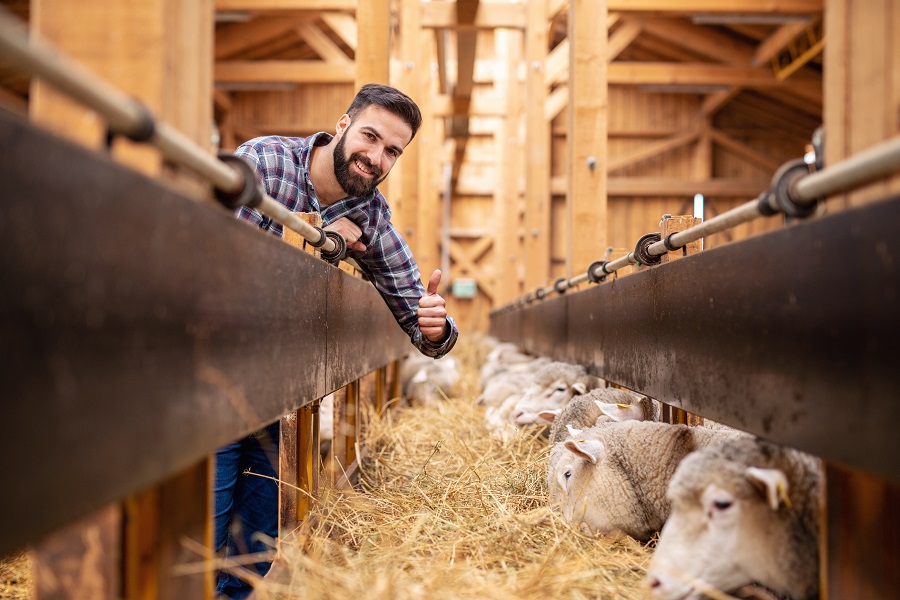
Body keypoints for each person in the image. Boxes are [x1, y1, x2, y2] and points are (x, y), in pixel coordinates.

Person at [213, 83, 459, 599]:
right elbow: (220, 270)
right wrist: (326, 241)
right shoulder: (263, 162)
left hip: (274, 394)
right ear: (342, 126)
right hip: (212, 381)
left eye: (393, 150)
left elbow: (417, 309)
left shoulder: (371, 213)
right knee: (199, 540)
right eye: (370, 137)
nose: (376, 158)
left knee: (254, 549)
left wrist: (436, 326)